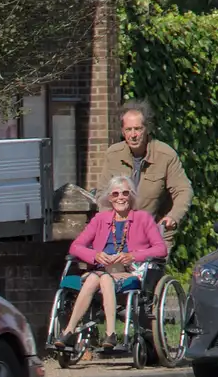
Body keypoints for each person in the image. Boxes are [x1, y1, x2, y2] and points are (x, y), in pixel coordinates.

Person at [57, 175, 168, 348]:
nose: (120, 197)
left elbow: (160, 249)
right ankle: (72, 331)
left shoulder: (143, 218)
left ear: (131, 196)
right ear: (109, 198)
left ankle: (106, 333)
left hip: (128, 271)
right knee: (98, 277)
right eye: (115, 194)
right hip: (100, 270)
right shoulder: (100, 220)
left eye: (125, 193)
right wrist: (95, 255)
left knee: (103, 278)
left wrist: (132, 255)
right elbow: (75, 247)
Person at [103, 100, 192, 234]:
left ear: (147, 129)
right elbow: (102, 194)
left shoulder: (165, 155)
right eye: (128, 129)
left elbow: (183, 190)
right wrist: (108, 223)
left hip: (154, 231)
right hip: (119, 232)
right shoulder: (113, 155)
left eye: (138, 129)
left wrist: (173, 217)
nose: (133, 135)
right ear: (123, 131)